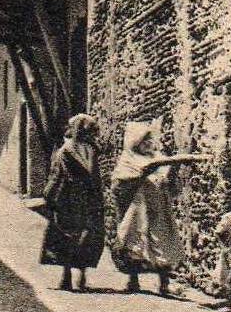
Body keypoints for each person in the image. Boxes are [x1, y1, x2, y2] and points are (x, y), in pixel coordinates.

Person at [110, 121, 200, 296]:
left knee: (162, 243)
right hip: (138, 210)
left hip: (158, 208)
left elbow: (167, 180)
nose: (148, 143)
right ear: (135, 142)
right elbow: (122, 182)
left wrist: (174, 166)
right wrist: (152, 168)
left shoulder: (157, 157)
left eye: (150, 139)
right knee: (135, 244)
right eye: (144, 140)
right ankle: (133, 280)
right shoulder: (128, 159)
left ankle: (164, 283)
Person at [40, 113, 106, 292]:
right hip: (68, 200)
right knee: (67, 237)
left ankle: (82, 275)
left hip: (87, 200)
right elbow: (58, 175)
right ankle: (66, 275)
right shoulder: (66, 150)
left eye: (92, 131)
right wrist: (52, 197)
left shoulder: (91, 150)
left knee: (87, 237)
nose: (91, 134)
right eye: (87, 131)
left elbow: (95, 175)